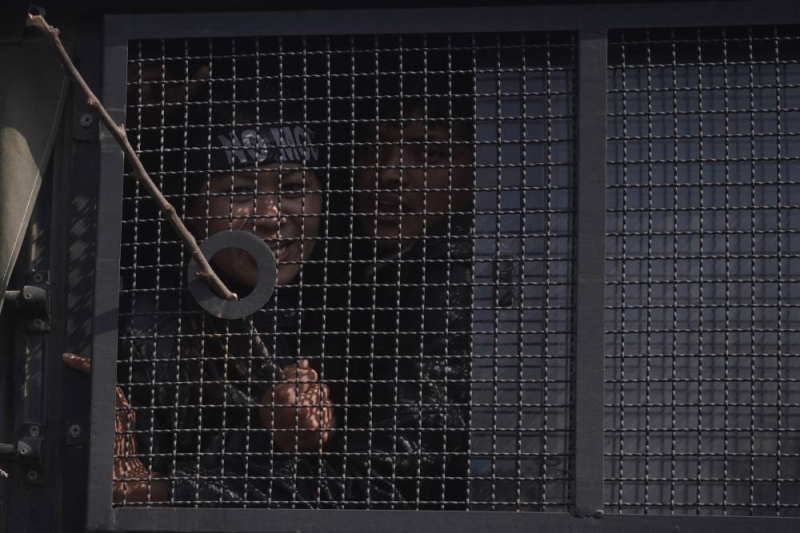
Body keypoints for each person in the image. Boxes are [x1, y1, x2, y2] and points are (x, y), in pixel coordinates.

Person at [66, 66, 337, 504]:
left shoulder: (351, 311)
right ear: (186, 207)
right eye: (240, 192)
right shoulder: (144, 325)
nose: (271, 217)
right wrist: (269, 435)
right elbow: (129, 485)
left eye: (292, 187)